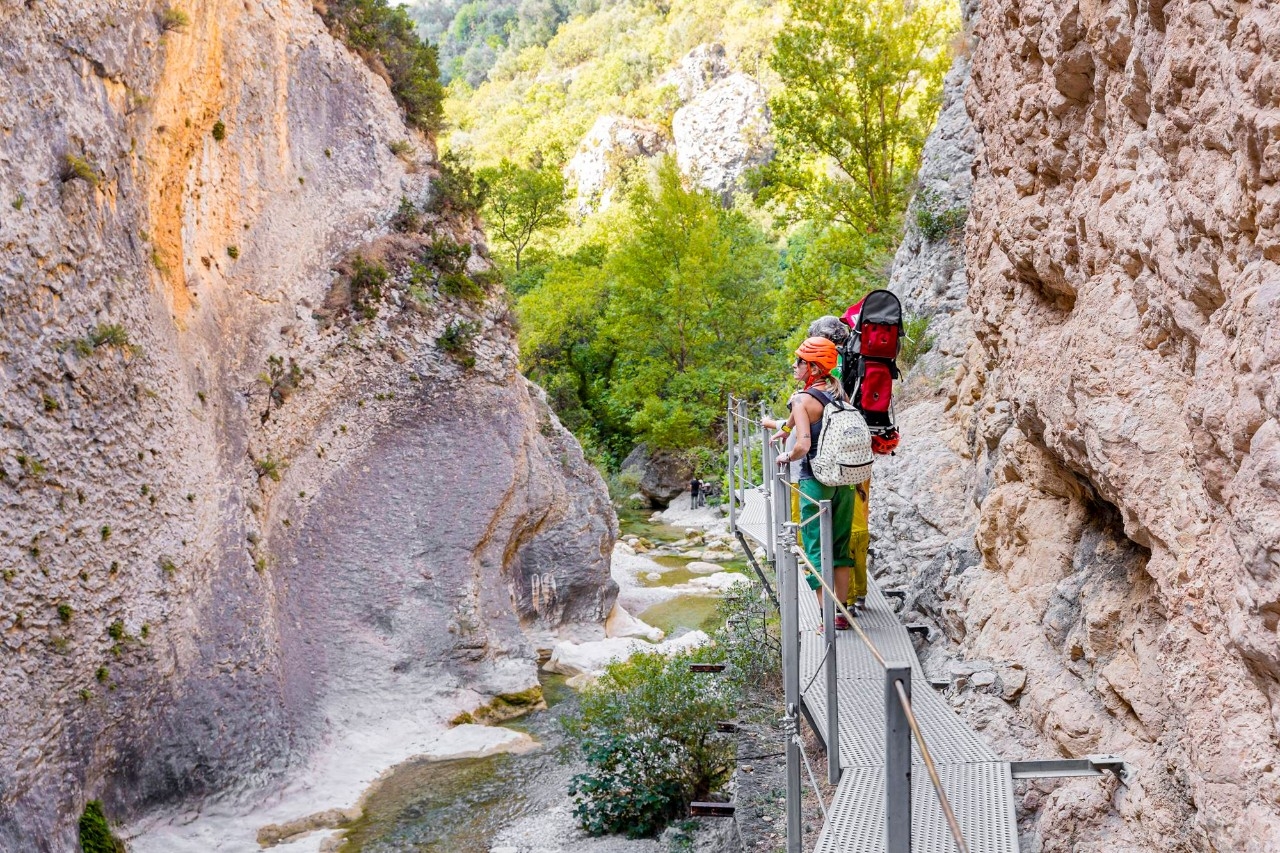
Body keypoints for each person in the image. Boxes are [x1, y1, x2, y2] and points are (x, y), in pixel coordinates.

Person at [769, 337, 858, 628]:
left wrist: (787, 456)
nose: (795, 366)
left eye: (800, 362)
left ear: (813, 367)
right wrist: (785, 429)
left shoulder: (801, 399)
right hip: (844, 480)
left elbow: (804, 444)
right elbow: (798, 420)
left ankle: (826, 618)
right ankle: (842, 614)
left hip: (815, 481)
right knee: (840, 546)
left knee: (816, 547)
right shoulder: (840, 393)